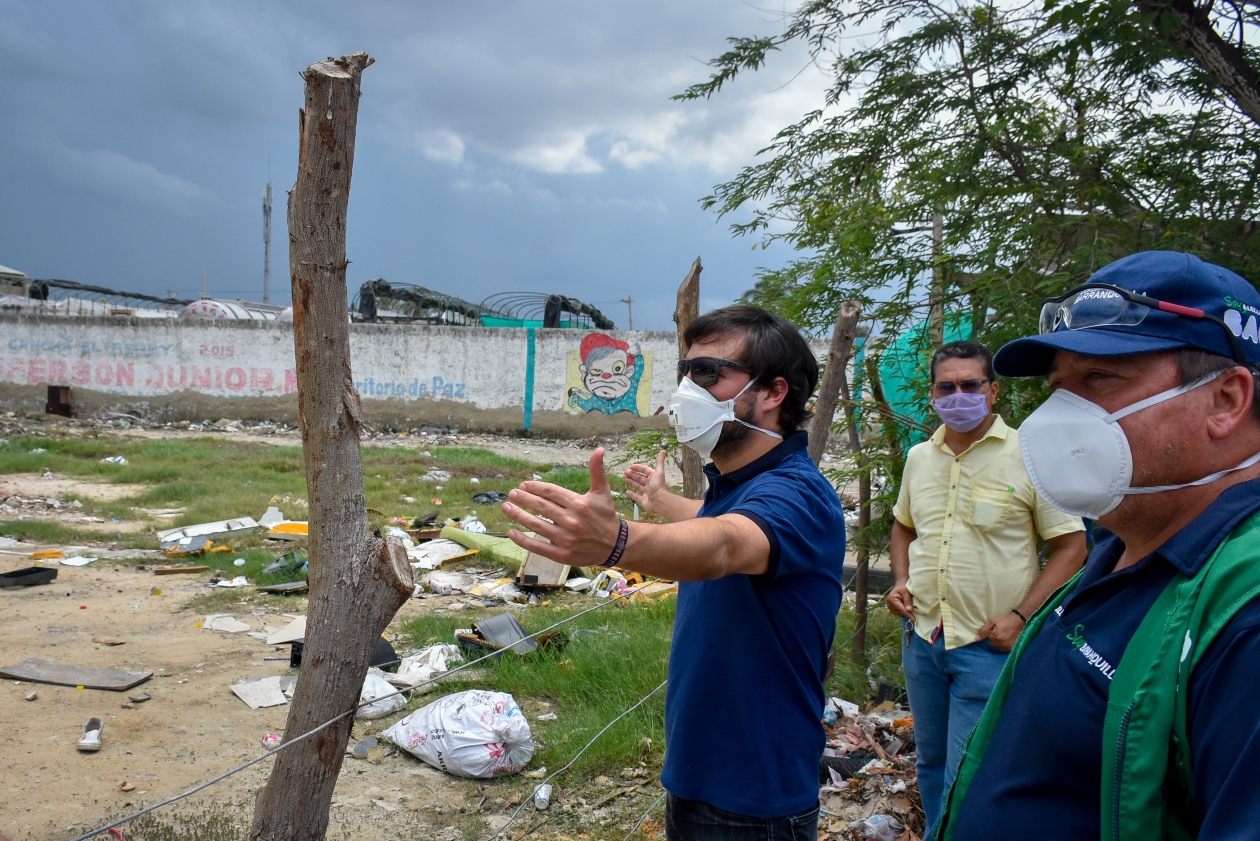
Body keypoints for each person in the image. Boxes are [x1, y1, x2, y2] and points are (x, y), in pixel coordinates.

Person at [935, 251, 1260, 840]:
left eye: (1101, 380)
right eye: (1060, 387)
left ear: (1226, 401)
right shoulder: (1121, 547)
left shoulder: (1243, 616)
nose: (1063, 415)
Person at [500, 305, 846, 841]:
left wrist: (617, 541)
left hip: (753, 798)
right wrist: (662, 502)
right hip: (701, 772)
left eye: (709, 373)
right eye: (686, 371)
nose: (689, 387)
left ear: (773, 392)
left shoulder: (796, 492)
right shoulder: (740, 487)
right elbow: (714, 521)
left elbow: (725, 546)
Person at [888, 340, 1087, 834]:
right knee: (931, 766)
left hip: (988, 646)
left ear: (993, 391)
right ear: (932, 393)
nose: (958, 395)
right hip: (925, 639)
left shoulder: (1029, 455)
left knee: (970, 773)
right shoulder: (919, 458)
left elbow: (1071, 545)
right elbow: (903, 525)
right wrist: (899, 581)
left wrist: (1021, 618)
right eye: (946, 386)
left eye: (970, 385)